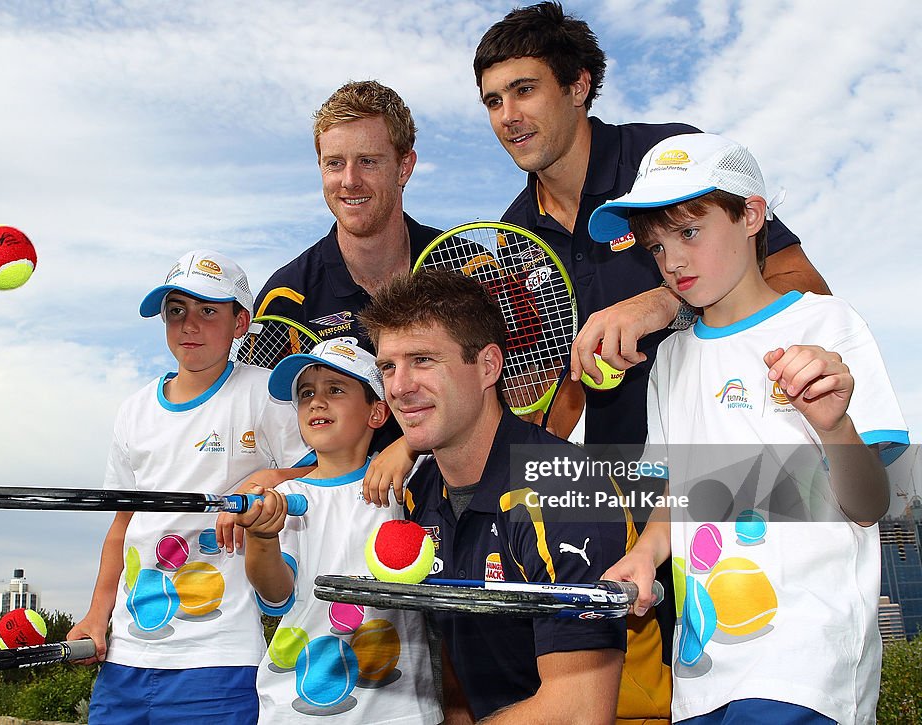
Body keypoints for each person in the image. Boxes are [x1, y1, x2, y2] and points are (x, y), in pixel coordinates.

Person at [591, 132, 908, 723]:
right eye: (657, 247)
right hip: (701, 677)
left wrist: (836, 426)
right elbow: (675, 504)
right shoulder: (671, 358)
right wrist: (643, 554)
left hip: (808, 665)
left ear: (752, 215)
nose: (673, 261)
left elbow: (868, 504)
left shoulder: (827, 323)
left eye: (689, 233)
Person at [473, 1, 831, 449]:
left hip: (738, 453)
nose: (507, 115)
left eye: (524, 90)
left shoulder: (670, 156)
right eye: (493, 101)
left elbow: (808, 288)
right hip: (621, 480)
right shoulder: (515, 232)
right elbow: (563, 383)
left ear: (578, 86)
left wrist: (667, 302)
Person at [359, 270, 629, 723]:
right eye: (388, 366)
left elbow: (580, 711)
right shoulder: (420, 492)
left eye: (423, 360)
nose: (399, 386)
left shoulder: (570, 486)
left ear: (488, 366)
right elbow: (457, 667)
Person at [67, 250, 313, 725]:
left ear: (241, 322)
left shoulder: (264, 393)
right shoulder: (134, 410)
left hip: (219, 657)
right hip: (126, 656)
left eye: (208, 310)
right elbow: (122, 525)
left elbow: (318, 474)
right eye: (175, 310)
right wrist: (98, 616)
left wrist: (263, 480)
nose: (189, 325)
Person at [232, 337, 442, 723]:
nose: (316, 401)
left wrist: (408, 445)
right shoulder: (287, 495)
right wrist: (262, 536)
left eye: (336, 389)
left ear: (377, 413)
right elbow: (275, 596)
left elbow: (462, 436)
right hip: (295, 710)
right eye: (306, 393)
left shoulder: (413, 478)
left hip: (396, 709)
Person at [253, 80, 441, 351]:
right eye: (335, 164)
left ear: (404, 167)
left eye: (368, 161)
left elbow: (521, 380)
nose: (350, 181)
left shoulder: (469, 267)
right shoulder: (286, 298)